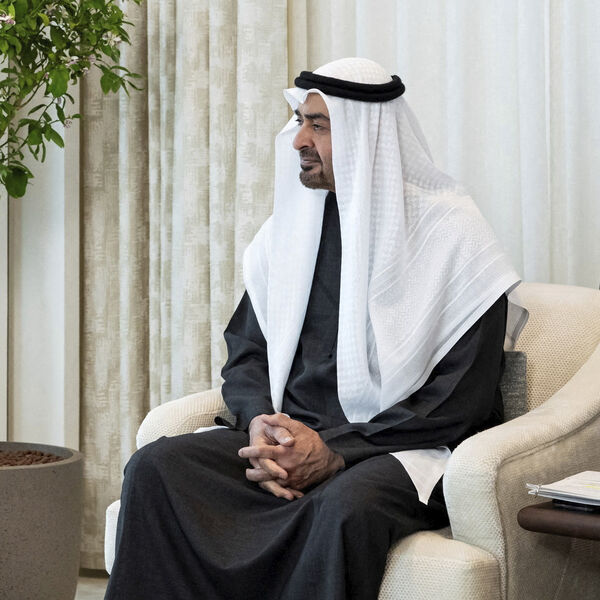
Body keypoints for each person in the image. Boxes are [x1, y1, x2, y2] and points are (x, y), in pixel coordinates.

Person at [105, 57, 526, 600]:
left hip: (396, 448)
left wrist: (335, 451)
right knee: (157, 466)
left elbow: (461, 399)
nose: (299, 139)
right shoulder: (292, 229)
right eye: (300, 121)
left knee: (346, 506)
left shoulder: (450, 235)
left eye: (319, 125)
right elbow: (247, 352)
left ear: (367, 135)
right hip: (288, 436)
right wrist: (260, 425)